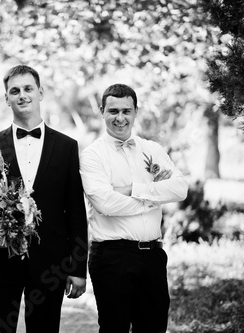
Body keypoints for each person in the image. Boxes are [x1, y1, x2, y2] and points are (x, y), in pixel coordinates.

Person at [0, 65, 88, 333]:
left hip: (50, 264)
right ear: (6, 98)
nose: (22, 95)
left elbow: (76, 210)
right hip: (0, 262)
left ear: (40, 92)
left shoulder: (67, 146)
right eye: (14, 91)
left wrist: (77, 267)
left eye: (28, 89)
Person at [79, 83, 188, 333]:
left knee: (153, 327)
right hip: (111, 256)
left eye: (126, 111)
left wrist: (134, 190)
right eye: (113, 111)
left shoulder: (152, 150)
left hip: (153, 256)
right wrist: (155, 197)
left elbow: (180, 188)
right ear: (102, 111)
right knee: (114, 327)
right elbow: (105, 203)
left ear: (136, 111)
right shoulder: (92, 155)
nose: (120, 118)